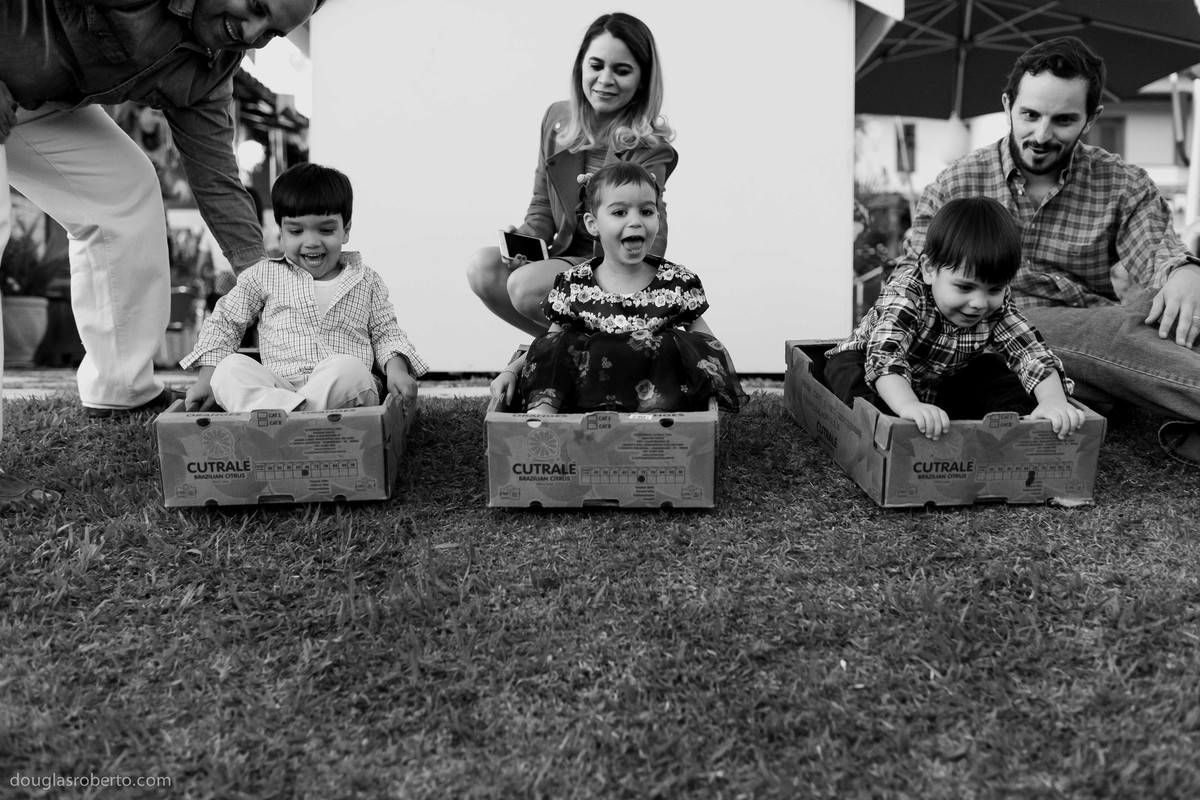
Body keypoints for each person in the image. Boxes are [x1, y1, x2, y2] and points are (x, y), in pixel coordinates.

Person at [0, 0, 322, 510]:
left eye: (273, 33)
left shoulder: (211, 66)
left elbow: (218, 181)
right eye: (257, 6)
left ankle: (121, 389)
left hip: (35, 94)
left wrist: (269, 288)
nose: (253, 31)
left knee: (120, 191)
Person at [908, 36, 1200, 464]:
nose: (1041, 135)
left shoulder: (1121, 183)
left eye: (1063, 120)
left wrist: (1184, 273)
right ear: (1008, 104)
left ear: (1091, 117)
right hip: (991, 337)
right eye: (1029, 115)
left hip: (1069, 366)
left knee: (1176, 313)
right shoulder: (957, 184)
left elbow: (1158, 250)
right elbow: (913, 273)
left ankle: (1181, 429)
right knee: (1110, 331)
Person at [466, 12, 678, 337]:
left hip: (613, 264)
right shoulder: (557, 119)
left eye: (621, 71)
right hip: (562, 257)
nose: (605, 80)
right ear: (581, 66)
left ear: (642, 80)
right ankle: (575, 348)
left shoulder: (649, 146)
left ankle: (590, 345)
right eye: (596, 66)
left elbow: (647, 228)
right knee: (484, 267)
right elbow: (541, 204)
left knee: (525, 286)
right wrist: (524, 243)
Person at [491, 162, 745, 415]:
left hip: (654, 398)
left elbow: (708, 346)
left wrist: (706, 387)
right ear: (592, 224)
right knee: (562, 343)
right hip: (585, 397)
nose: (635, 221)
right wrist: (511, 370)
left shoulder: (675, 282)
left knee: (673, 346)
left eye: (646, 211)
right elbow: (548, 348)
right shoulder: (574, 283)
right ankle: (543, 422)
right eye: (620, 213)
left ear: (658, 217)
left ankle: (661, 430)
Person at [826, 197, 1085, 441]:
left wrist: (1053, 400)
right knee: (847, 371)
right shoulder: (906, 294)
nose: (979, 303)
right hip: (877, 370)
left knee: (995, 369)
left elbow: (1030, 351)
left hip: (938, 382)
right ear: (929, 270)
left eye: (994, 289)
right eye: (964, 287)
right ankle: (892, 426)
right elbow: (885, 356)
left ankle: (1017, 423)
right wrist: (909, 405)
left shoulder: (995, 305)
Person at [181, 163, 426, 414]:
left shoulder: (366, 280)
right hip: (279, 387)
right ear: (281, 232)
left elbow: (387, 332)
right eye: (297, 231)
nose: (311, 241)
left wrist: (397, 369)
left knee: (351, 370)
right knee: (229, 370)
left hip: (339, 389)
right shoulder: (263, 275)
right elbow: (224, 322)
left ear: (346, 230)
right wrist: (207, 379)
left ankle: (283, 422)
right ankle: (299, 419)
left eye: (326, 230)